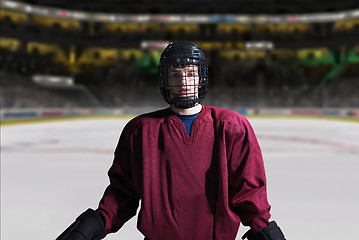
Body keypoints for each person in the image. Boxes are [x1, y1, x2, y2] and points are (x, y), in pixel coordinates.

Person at [56, 41, 286, 240]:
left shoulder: (231, 126)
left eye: (190, 74)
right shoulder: (140, 130)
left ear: (200, 78)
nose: (183, 81)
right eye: (176, 75)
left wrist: (265, 230)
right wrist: (90, 226)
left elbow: (248, 192)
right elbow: (122, 192)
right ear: (166, 81)